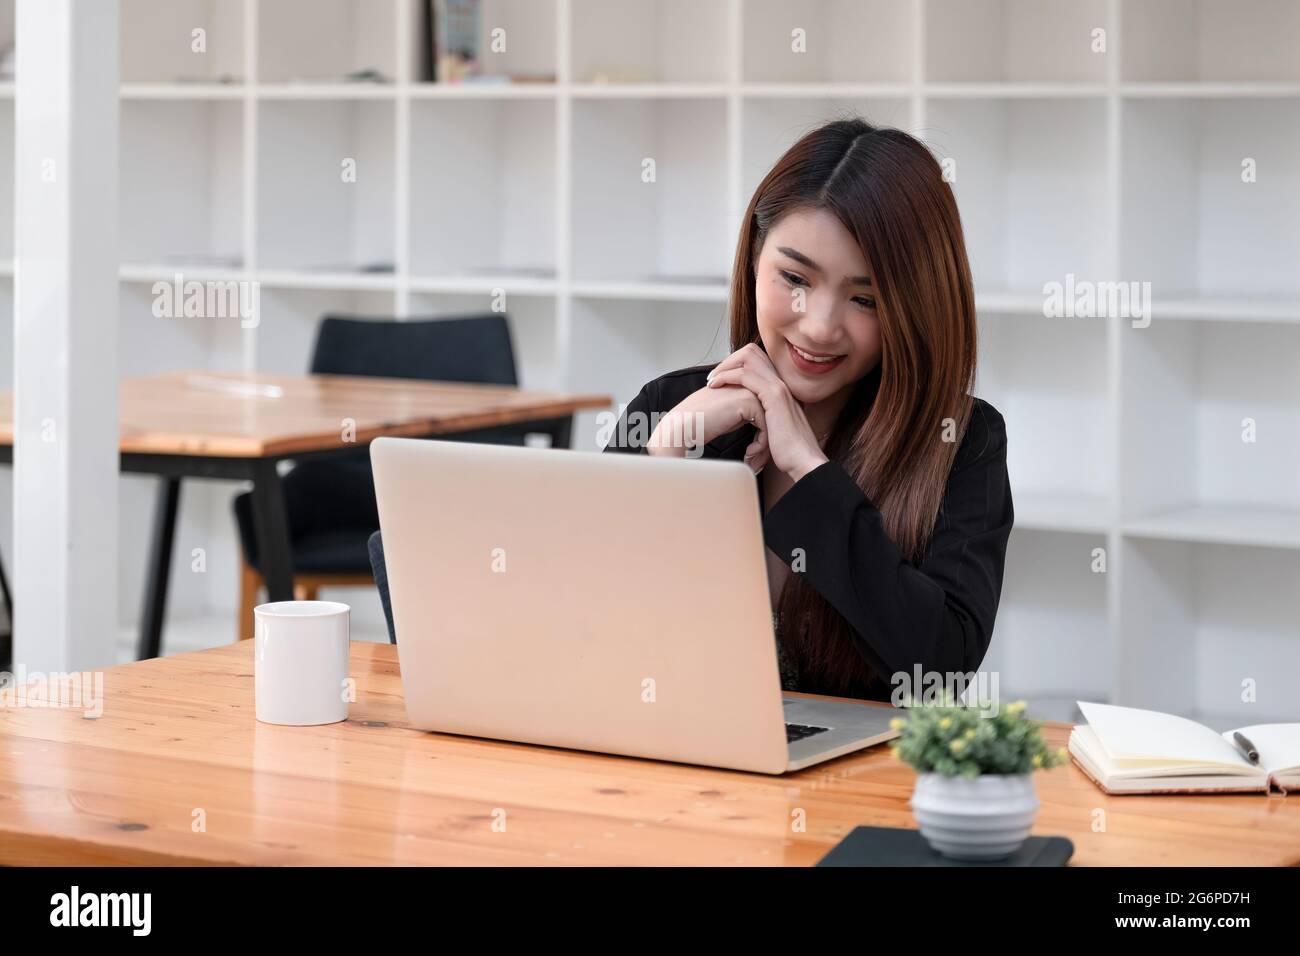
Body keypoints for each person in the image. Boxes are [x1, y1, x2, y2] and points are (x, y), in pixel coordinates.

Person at [603, 117, 1013, 703]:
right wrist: (666, 456)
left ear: (916, 307)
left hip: (856, 786)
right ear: (753, 259)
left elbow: (940, 669)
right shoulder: (670, 410)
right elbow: (593, 628)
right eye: (795, 278)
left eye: (865, 299)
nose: (819, 327)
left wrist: (809, 469)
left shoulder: (963, 441)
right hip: (678, 770)